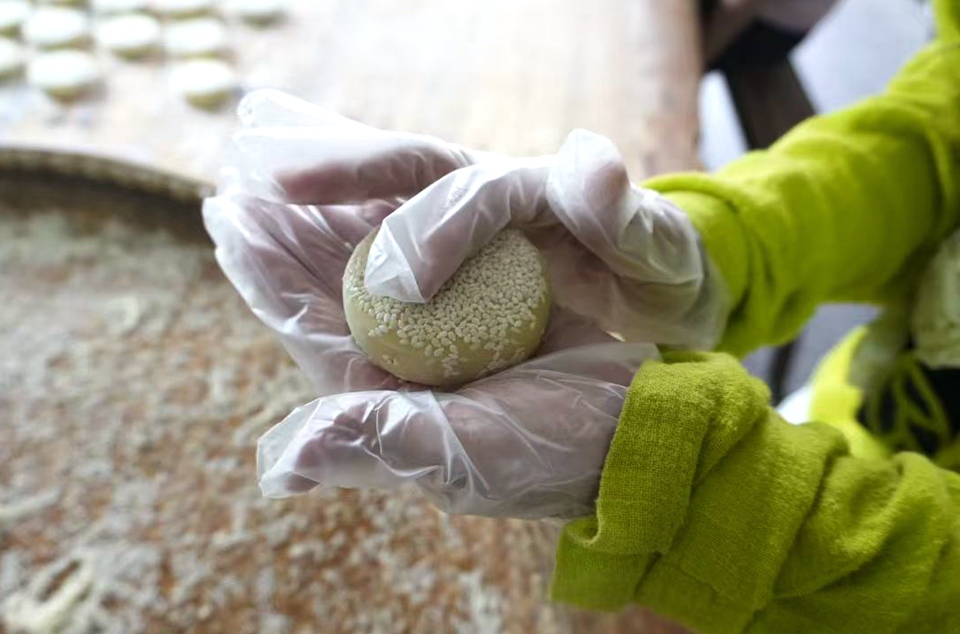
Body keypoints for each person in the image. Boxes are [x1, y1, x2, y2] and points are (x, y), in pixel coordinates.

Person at [203, 0, 960, 630]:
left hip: (850, 552)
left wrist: (707, 492)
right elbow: (941, 129)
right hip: (850, 422)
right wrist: (725, 247)